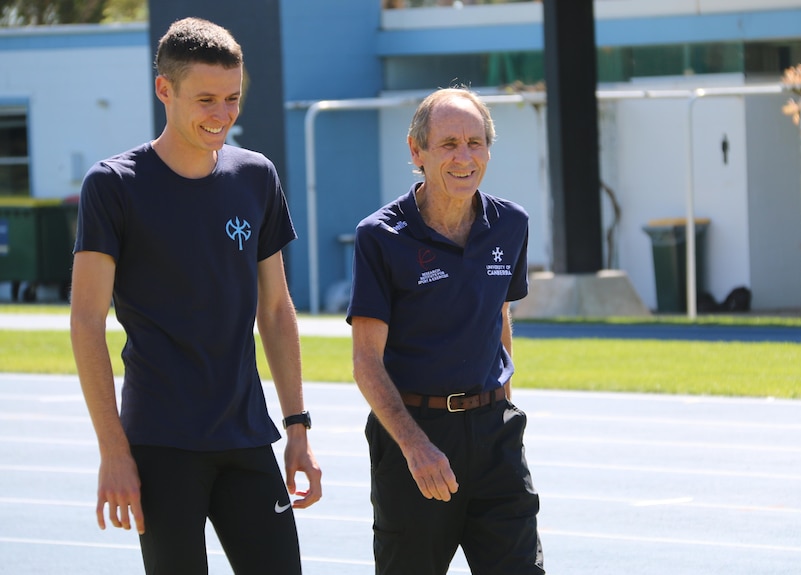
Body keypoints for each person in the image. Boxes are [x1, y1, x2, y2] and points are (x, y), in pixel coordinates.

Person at [69, 17, 321, 574]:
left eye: (232, 99)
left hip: (247, 435)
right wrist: (114, 452)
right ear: (165, 89)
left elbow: (276, 311)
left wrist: (298, 427)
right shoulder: (113, 186)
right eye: (206, 99)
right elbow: (86, 322)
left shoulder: (256, 176)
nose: (222, 115)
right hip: (161, 444)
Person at [347, 87, 544, 575]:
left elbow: (498, 317)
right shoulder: (380, 236)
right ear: (417, 151)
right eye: (449, 144)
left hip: (495, 434)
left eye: (475, 143)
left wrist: (504, 402)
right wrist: (415, 447)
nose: (465, 157)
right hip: (414, 437)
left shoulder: (510, 224)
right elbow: (366, 361)